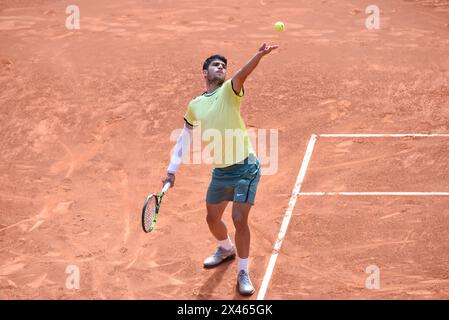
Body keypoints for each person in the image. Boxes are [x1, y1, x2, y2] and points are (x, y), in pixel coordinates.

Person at [162, 43, 278, 296]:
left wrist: (259, 56)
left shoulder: (229, 91)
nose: (221, 67)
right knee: (212, 219)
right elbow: (185, 138)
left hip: (246, 167)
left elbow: (243, 74)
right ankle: (225, 249)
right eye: (216, 65)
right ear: (204, 73)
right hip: (221, 171)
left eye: (223, 65)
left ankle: (243, 271)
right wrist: (172, 170)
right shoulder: (195, 105)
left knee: (239, 219)